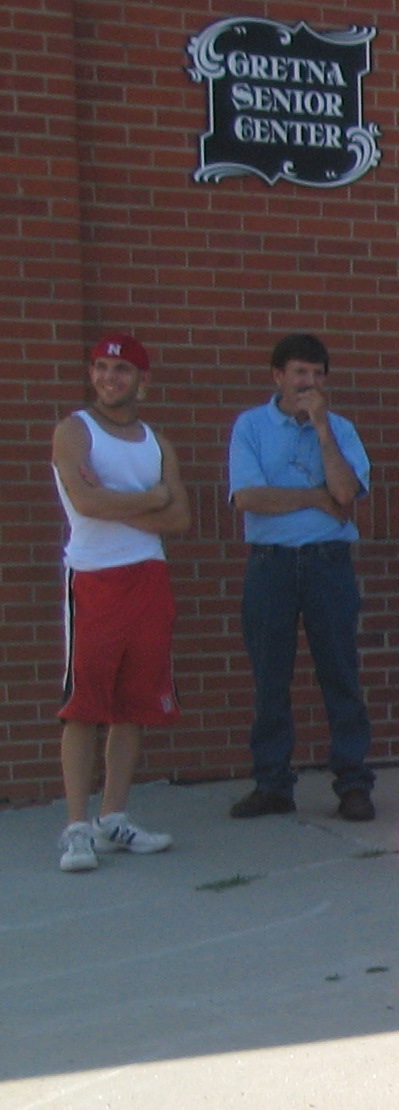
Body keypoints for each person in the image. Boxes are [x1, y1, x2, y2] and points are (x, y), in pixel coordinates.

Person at [49, 334, 191, 872]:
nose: (110, 377)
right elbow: (84, 503)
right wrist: (151, 498)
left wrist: (121, 503)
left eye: (123, 369)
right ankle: (76, 827)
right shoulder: (74, 431)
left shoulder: (157, 442)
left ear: (142, 380)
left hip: (148, 577)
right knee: (84, 705)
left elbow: (179, 520)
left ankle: (114, 818)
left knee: (134, 704)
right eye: (102, 367)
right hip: (92, 577)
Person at [228, 333, 373, 821]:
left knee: (340, 673)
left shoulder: (340, 429)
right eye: (299, 373)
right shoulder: (250, 426)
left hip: (328, 562)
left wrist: (322, 429)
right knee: (271, 677)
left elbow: (346, 492)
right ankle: (272, 784)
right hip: (271, 563)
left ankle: (353, 783)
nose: (308, 382)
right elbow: (248, 498)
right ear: (278, 377)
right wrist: (314, 499)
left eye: (316, 374)